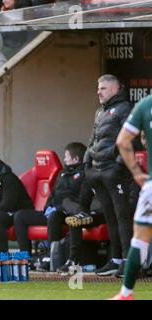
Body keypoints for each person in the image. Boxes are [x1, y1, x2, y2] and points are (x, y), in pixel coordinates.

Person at [84, 74, 134, 277]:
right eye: (98, 88)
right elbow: (92, 138)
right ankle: (115, 260)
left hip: (114, 171)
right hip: (97, 171)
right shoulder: (99, 112)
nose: (98, 91)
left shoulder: (125, 109)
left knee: (123, 217)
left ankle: (129, 262)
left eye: (103, 88)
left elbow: (130, 137)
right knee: (110, 217)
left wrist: (117, 166)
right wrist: (87, 164)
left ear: (114, 89)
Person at [13, 143, 91, 268]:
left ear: (76, 159)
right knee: (19, 216)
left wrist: (58, 208)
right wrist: (47, 207)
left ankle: (50, 257)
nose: (64, 159)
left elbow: (82, 200)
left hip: (66, 213)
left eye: (66, 156)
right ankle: (26, 258)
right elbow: (53, 193)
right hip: (51, 211)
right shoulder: (62, 173)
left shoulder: (85, 175)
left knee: (54, 216)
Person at [110, 96, 152, 299]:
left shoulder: (146, 104)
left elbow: (122, 141)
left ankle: (126, 293)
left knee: (141, 237)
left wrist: (136, 172)